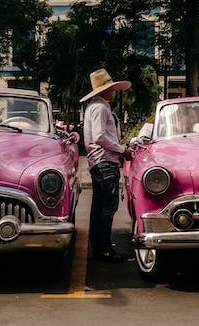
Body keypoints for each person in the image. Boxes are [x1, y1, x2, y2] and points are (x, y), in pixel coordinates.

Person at [81, 68, 132, 263]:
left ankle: (99, 246)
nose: (113, 91)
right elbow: (100, 136)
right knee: (108, 206)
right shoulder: (101, 108)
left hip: (98, 161)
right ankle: (104, 248)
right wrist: (122, 150)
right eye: (111, 88)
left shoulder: (94, 107)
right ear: (105, 90)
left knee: (99, 205)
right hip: (105, 161)